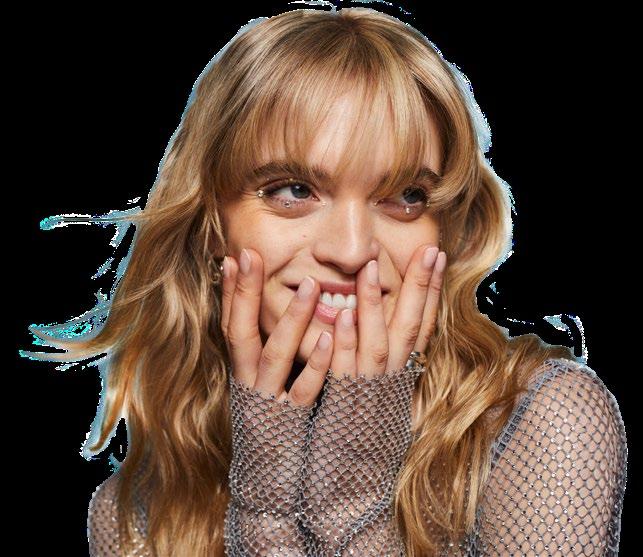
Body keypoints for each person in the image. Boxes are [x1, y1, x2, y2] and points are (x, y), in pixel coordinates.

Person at [20, 5, 627, 556]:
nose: (352, 250)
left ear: (446, 229)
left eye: (405, 196)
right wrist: (265, 512)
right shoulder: (136, 515)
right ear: (210, 226)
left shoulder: (543, 424)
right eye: (293, 191)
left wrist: (352, 508)